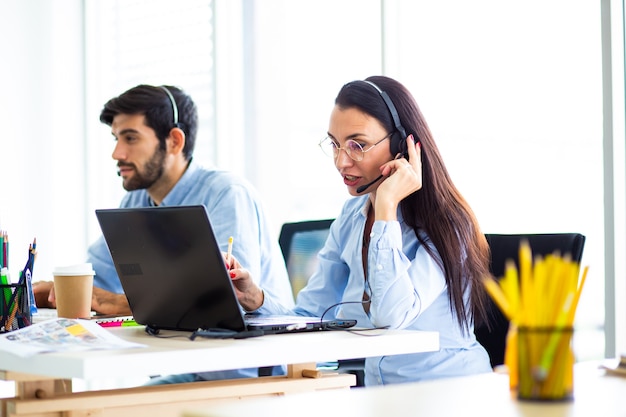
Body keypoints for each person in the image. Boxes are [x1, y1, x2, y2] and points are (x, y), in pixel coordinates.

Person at [225, 75, 493, 385]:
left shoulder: (447, 223)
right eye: (336, 145)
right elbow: (310, 317)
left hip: (449, 394)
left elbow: (391, 316)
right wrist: (255, 298)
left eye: (358, 145)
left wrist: (387, 207)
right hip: (380, 398)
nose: (341, 161)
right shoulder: (352, 216)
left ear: (400, 143)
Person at [34, 84, 294, 381]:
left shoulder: (226, 194)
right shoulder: (135, 201)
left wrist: (115, 302)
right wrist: (55, 289)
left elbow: (222, 302)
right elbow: (97, 278)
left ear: (174, 140)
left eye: (130, 138)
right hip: (182, 364)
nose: (117, 153)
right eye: (116, 138)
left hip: (240, 373)